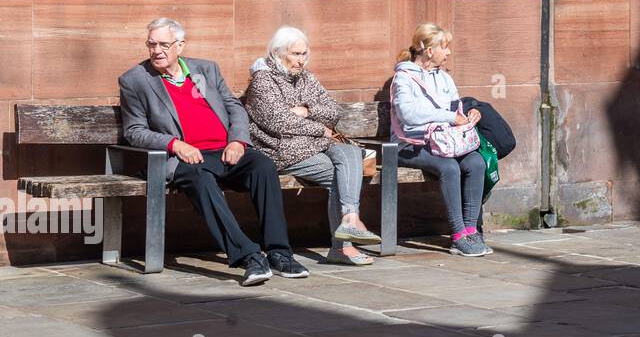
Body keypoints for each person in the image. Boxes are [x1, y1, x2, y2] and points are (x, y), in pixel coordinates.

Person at [118, 17, 310, 286]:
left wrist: (238, 142)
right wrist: (176, 144)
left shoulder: (206, 70)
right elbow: (134, 131)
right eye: (151, 44)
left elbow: (235, 108)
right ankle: (249, 256)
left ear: (180, 45)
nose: (157, 50)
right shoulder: (135, 80)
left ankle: (279, 253)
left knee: (263, 167)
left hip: (226, 151)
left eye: (164, 44)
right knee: (201, 180)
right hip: (184, 159)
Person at [243, 26, 381, 266]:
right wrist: (318, 128)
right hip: (283, 149)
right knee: (343, 175)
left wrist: (307, 110)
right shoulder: (263, 80)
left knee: (349, 153)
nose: (301, 61)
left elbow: (333, 111)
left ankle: (350, 219)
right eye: (295, 54)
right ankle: (343, 246)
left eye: (304, 54)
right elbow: (278, 121)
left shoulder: (306, 78)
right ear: (278, 52)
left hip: (315, 143)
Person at [391, 24, 491, 256]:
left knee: (476, 162)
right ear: (428, 50)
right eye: (444, 47)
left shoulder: (445, 78)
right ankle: (457, 235)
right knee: (449, 168)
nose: (448, 53)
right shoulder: (403, 78)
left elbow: (455, 108)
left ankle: (470, 231)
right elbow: (408, 115)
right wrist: (449, 117)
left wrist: (468, 116)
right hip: (411, 144)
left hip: (444, 141)